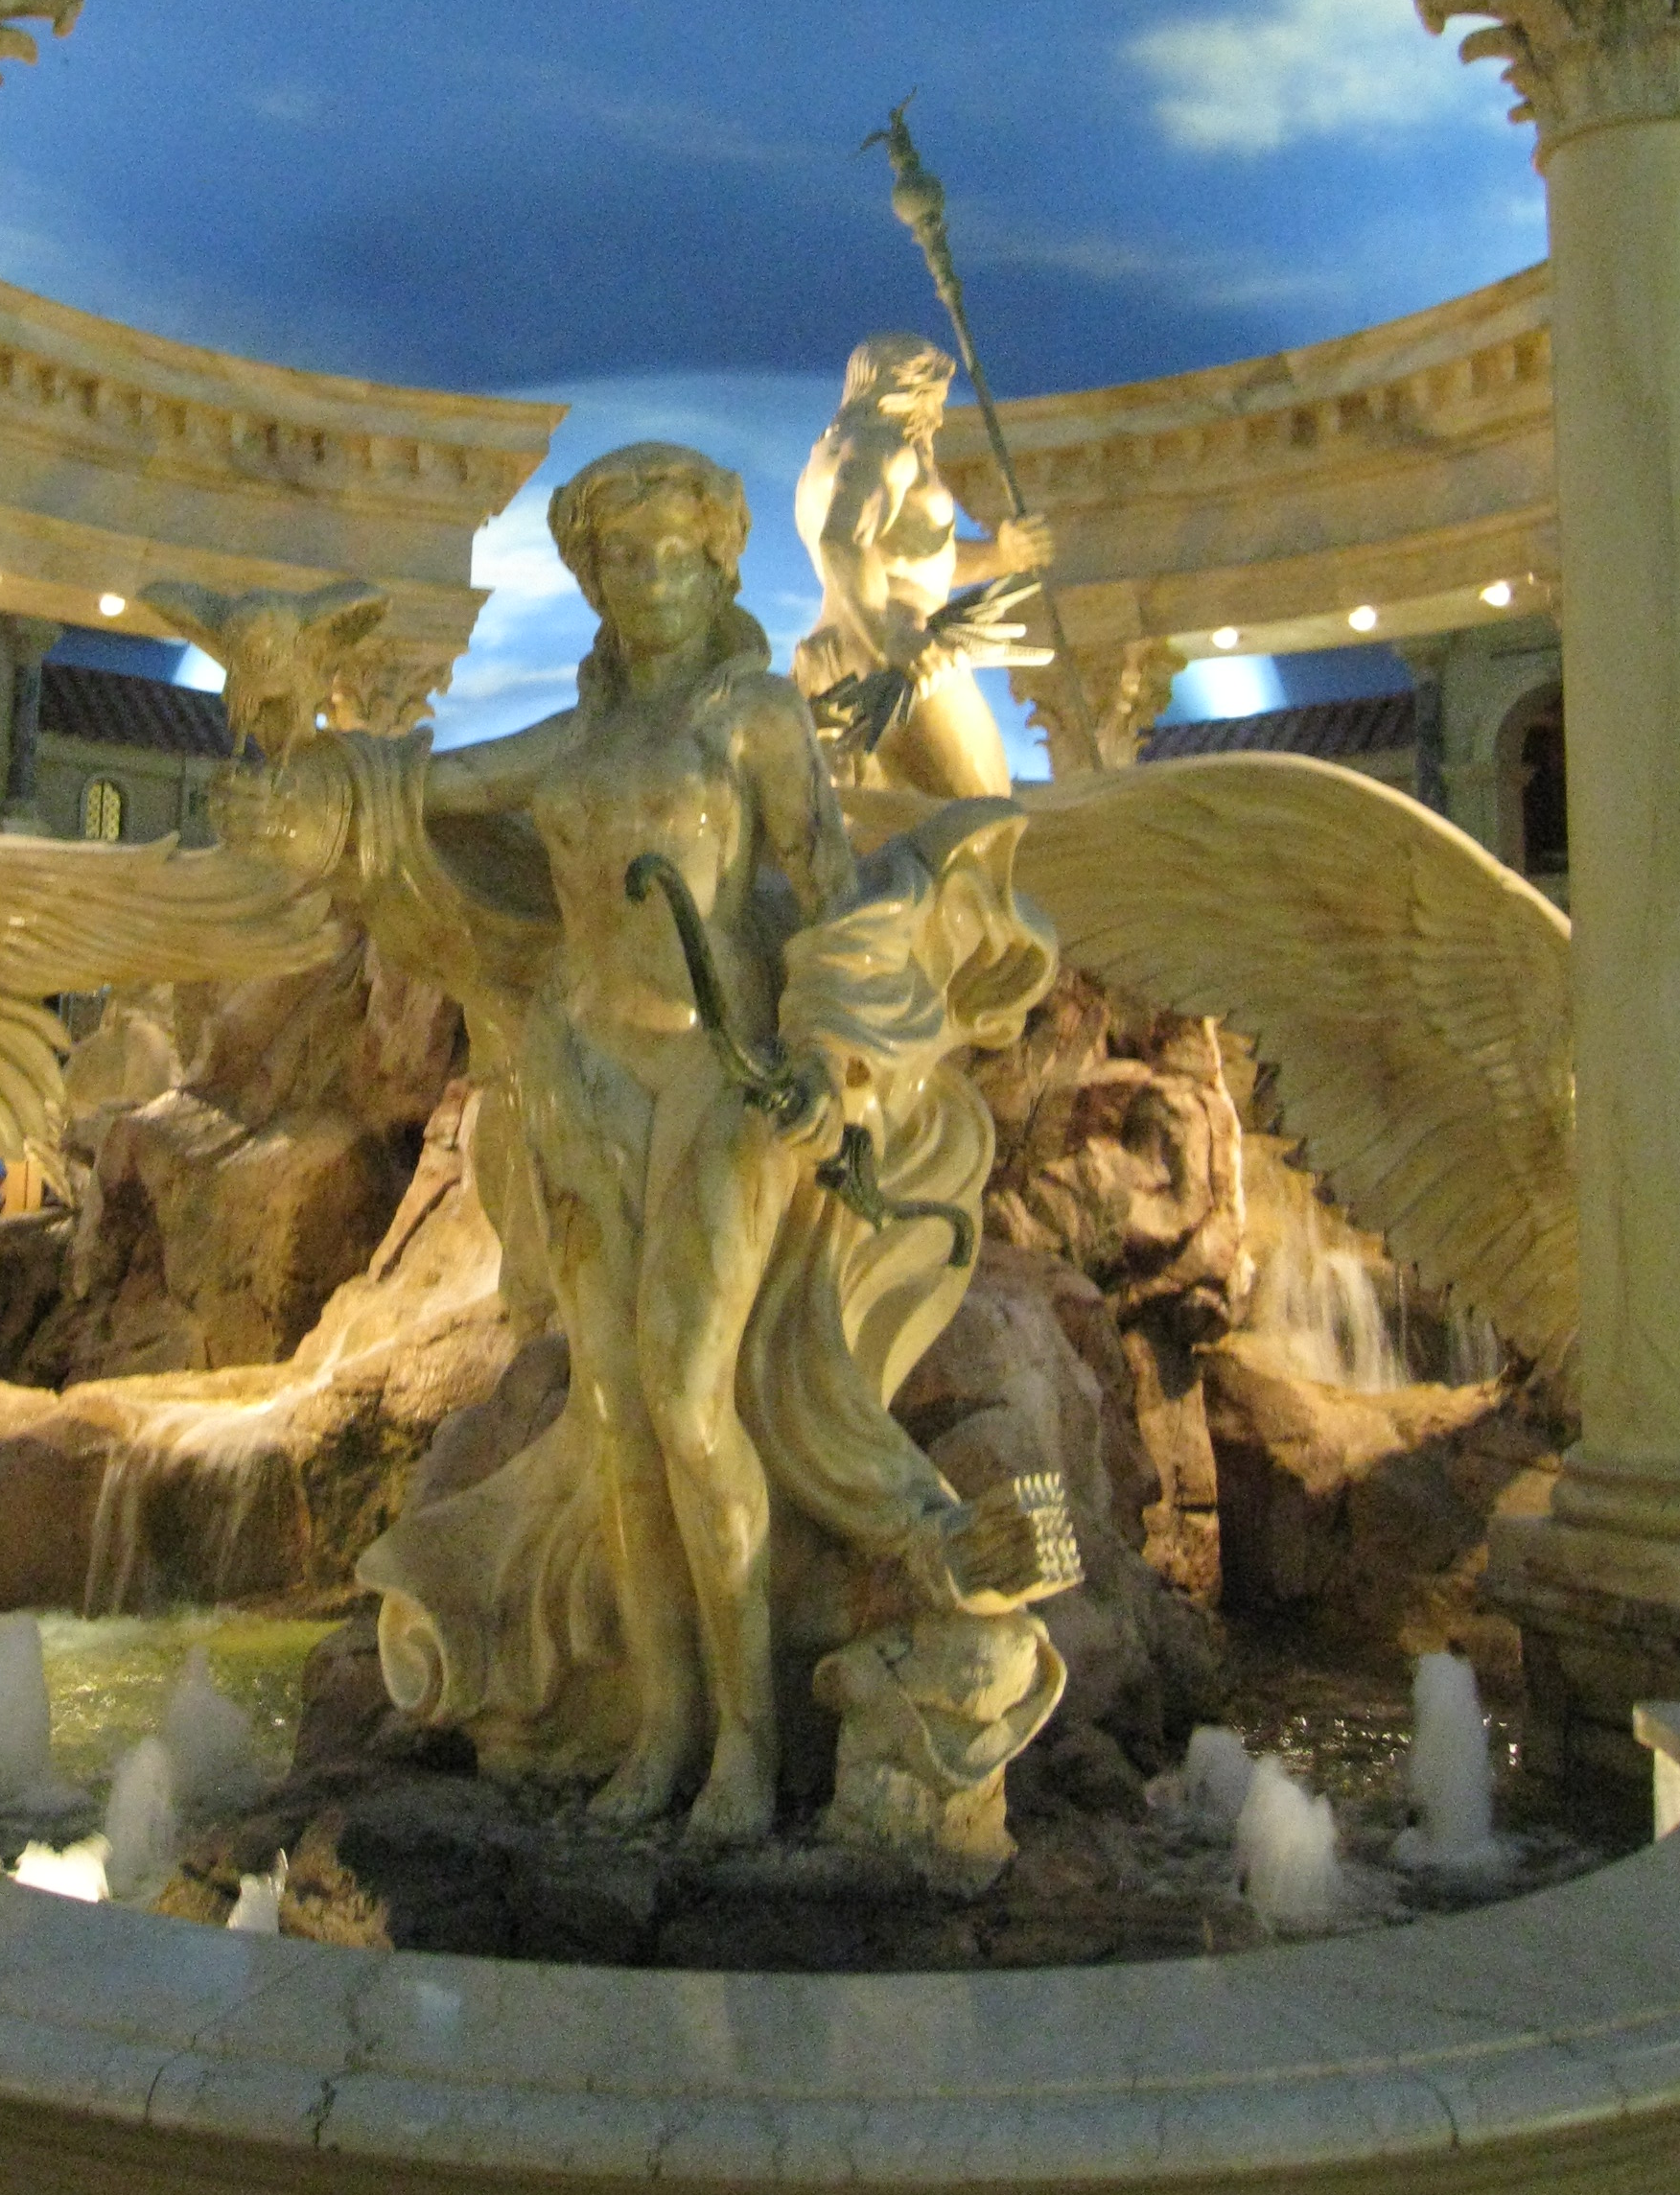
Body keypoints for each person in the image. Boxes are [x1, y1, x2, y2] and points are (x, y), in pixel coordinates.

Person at [222, 440, 1064, 1848]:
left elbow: (832, 888)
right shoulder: (576, 737)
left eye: (680, 555)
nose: (655, 579)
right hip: (580, 1074)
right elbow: (421, 786)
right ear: (595, 578)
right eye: (627, 557)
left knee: (684, 1397)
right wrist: (311, 787)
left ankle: (746, 1740)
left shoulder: (754, 717)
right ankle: (662, 1724)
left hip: (716, 1074)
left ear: (722, 568)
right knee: (616, 1412)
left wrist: (828, 1062)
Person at [793, 332, 1054, 797]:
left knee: (886, 819)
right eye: (934, 396)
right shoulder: (884, 446)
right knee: (988, 813)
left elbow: (908, 561)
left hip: (836, 648)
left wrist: (1001, 556)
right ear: (904, 389)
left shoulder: (830, 452)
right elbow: (842, 542)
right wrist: (890, 638)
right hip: (896, 654)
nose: (938, 414)